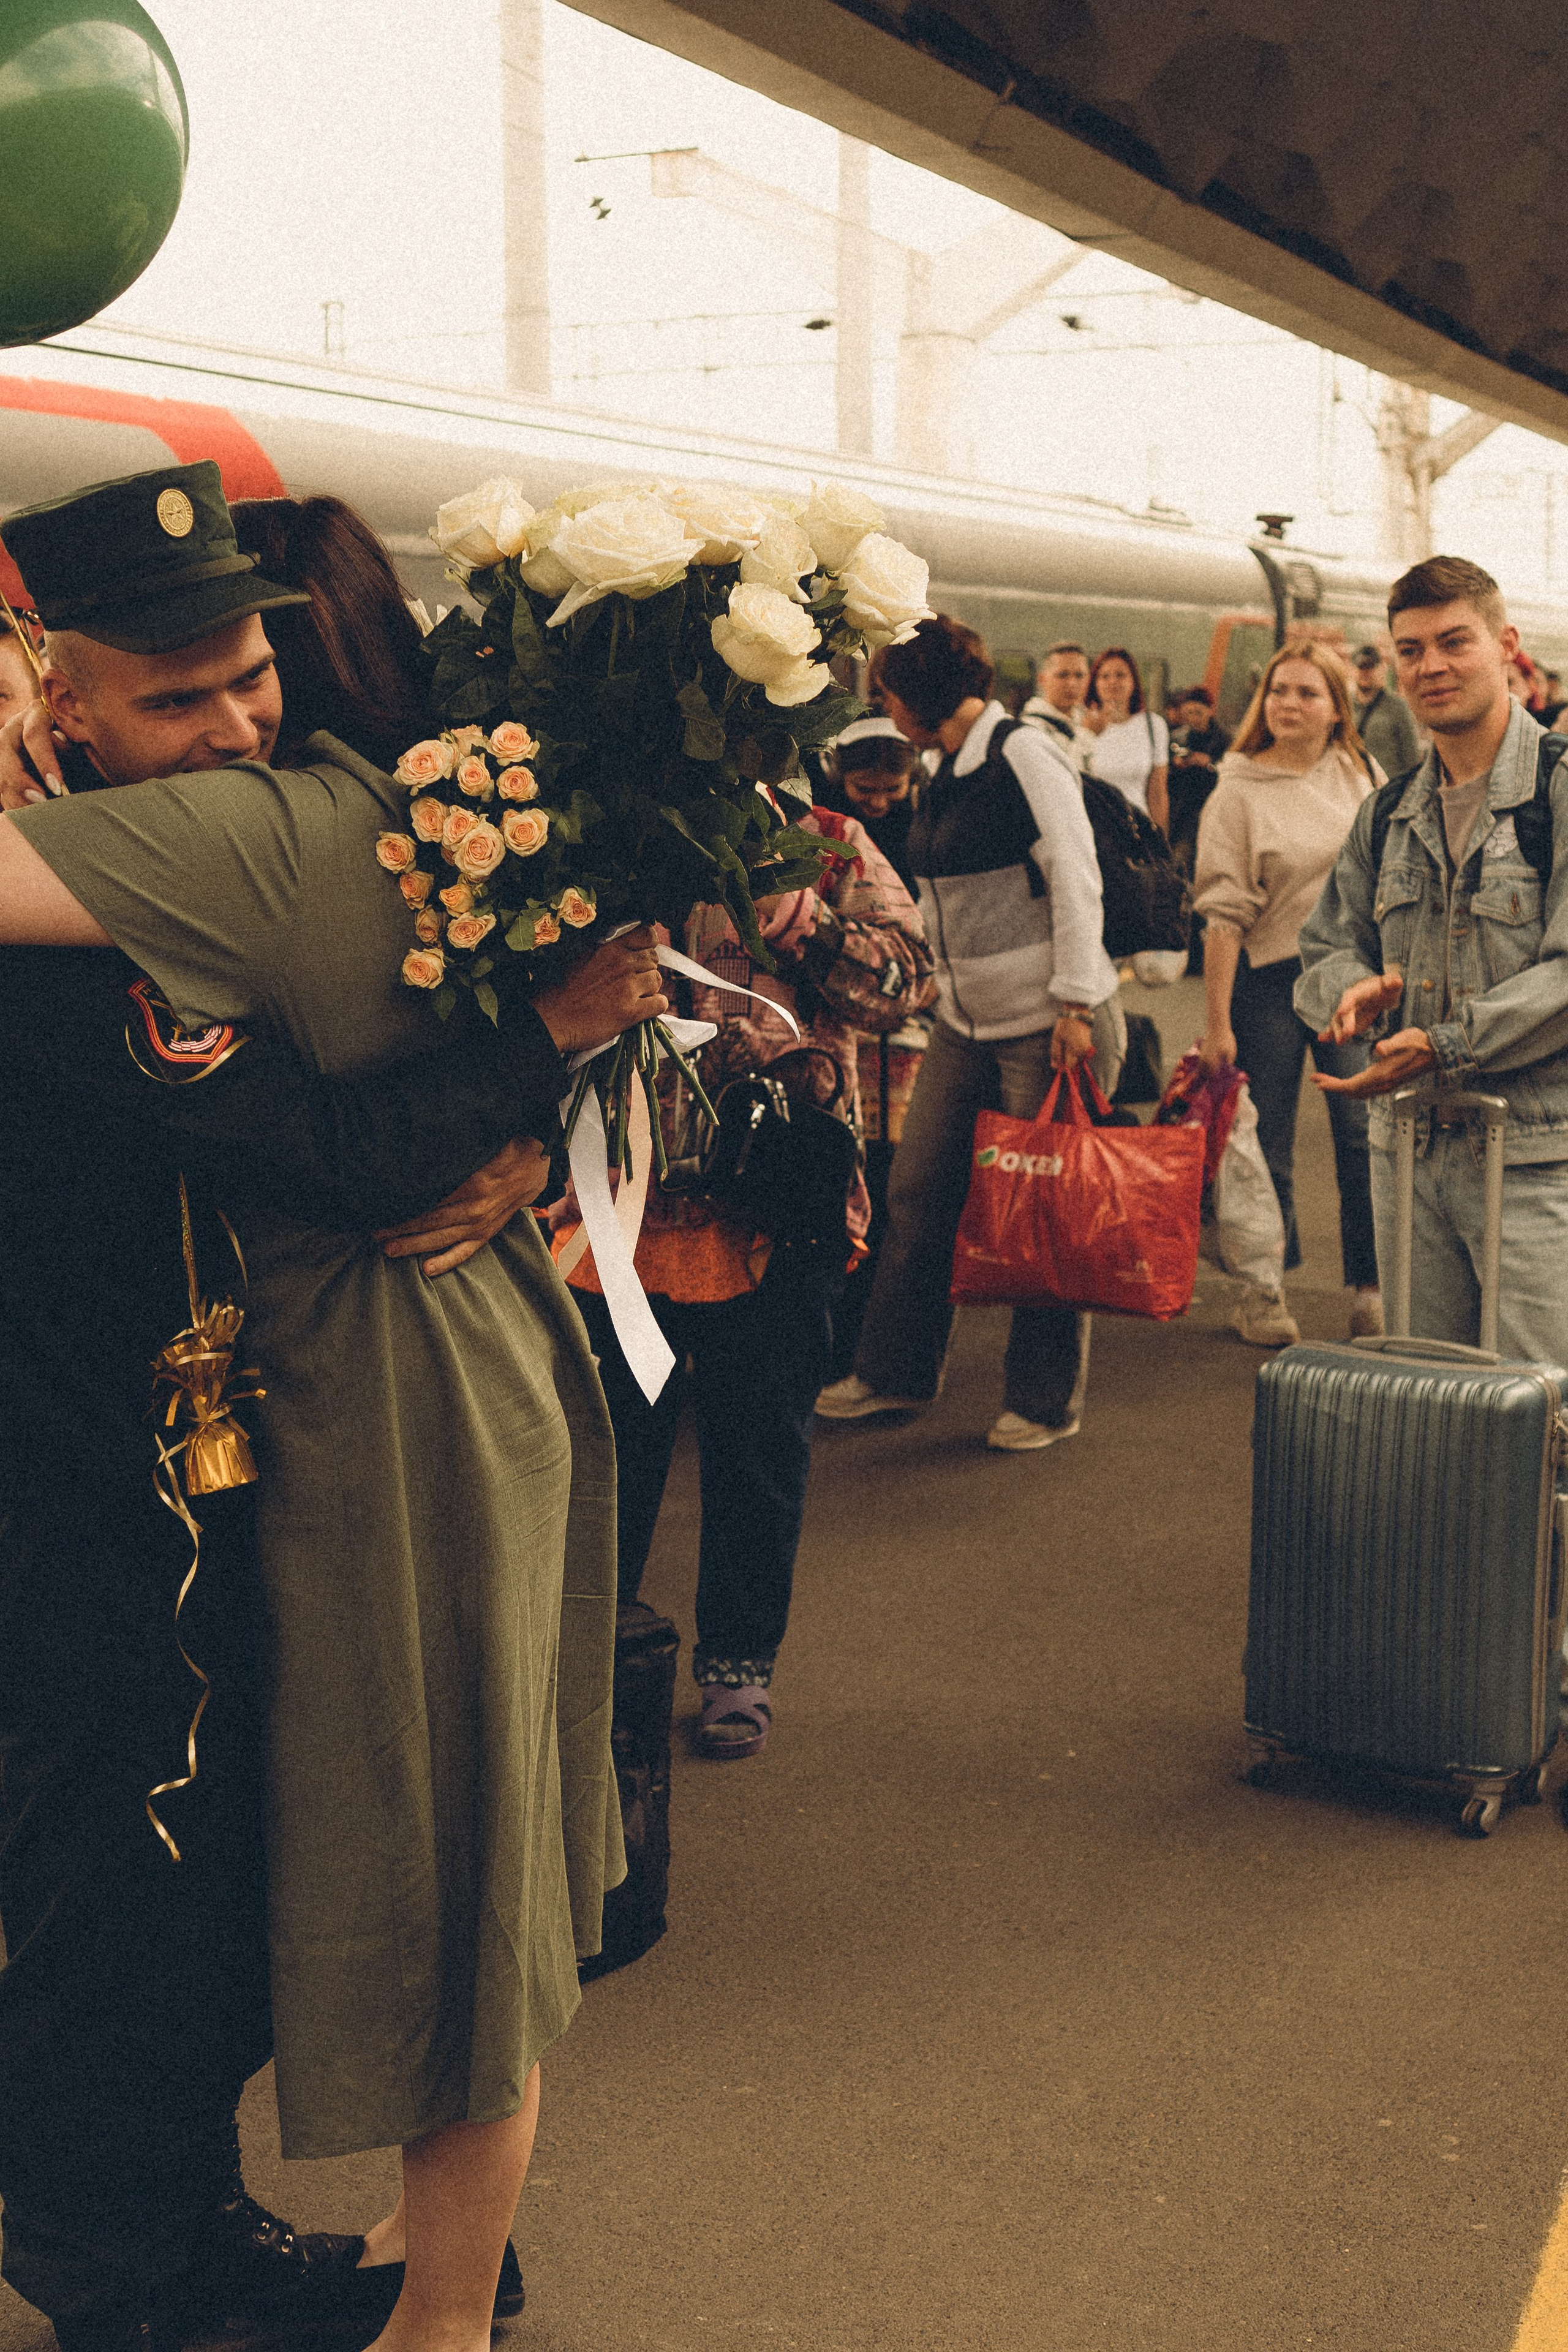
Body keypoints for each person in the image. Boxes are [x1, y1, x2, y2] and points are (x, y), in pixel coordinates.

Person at [0, 464, 662, 2352]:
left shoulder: (168, 852)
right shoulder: (107, 888)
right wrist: (526, 1071)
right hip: (73, 1456)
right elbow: (328, 1144)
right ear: (61, 690)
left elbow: (337, 1114)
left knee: (205, 1863)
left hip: (204, 1446)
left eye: (250, 679)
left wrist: (521, 1100)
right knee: (113, 1871)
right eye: (181, 699)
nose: (235, 730)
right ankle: (132, 2272)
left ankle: (227, 2238)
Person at [554, 802, 932, 1758]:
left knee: (759, 1453)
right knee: (607, 1460)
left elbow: (905, 985)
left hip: (780, 1212)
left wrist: (800, 916)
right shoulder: (583, 822)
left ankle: (738, 1671)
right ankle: (601, 1671)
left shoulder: (823, 836)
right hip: (615, 1212)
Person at [816, 615, 1125, 1452]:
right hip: (964, 1021)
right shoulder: (945, 766)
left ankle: (1043, 1400)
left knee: (1042, 1213)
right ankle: (895, 1371)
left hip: (1051, 1022)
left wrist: (1073, 1003)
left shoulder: (1022, 753)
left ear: (915, 698)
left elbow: (1075, 871)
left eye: (885, 691)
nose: (879, 704)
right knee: (919, 1192)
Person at [1298, 554, 1568, 1369]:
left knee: (1544, 1411)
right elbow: (1326, 943)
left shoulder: (1556, 795)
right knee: (1433, 1406)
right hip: (1409, 1155)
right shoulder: (1387, 811)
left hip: (1533, 1156)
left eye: (1455, 642)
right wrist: (1349, 991)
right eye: (1410, 650)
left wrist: (1445, 1044)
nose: (1431, 667)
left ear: (1507, 647)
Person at [1194, 643, 1384, 1346]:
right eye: (1278, 691)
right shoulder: (1236, 788)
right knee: (1264, 1138)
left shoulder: (1360, 774)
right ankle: (1263, 1287)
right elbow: (1221, 915)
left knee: (1363, 1135)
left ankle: (1369, 1288)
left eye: (1307, 693)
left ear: (1337, 708)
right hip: (1267, 978)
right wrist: (1217, 1022)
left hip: (1349, 977)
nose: (1288, 704)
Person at [815, 713, 919, 891]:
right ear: (837, 777)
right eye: (864, 789)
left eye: (893, 789)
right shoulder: (822, 815)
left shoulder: (924, 813)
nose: (878, 803)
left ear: (913, 777)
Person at [1082, 646, 1169, 835]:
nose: (1112, 682)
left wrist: (1162, 840)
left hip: (1138, 832)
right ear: (1095, 683)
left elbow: (1157, 792)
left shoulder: (1153, 726)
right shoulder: (1083, 727)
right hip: (1095, 832)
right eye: (1104, 676)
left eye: (1121, 675)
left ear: (1134, 682)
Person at [1166, 685, 1229, 877]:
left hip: (1210, 807)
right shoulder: (1178, 737)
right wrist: (1176, 764)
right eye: (1189, 713)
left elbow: (1230, 774)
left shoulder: (1225, 741)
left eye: (1198, 712)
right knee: (1179, 856)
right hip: (1181, 809)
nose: (1193, 718)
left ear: (1211, 711)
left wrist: (1209, 763)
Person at [1350, 644, 1422, 780]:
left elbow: (1411, 758)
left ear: (1381, 669)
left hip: (1388, 792)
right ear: (1352, 670)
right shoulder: (1345, 705)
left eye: (1370, 667)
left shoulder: (1397, 707)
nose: (1365, 673)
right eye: (1361, 667)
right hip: (1355, 790)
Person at [1019, 641, 1094, 769]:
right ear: (1043, 680)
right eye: (1063, 675)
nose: (1072, 683)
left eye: (1079, 675)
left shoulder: (1087, 725)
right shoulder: (1029, 728)